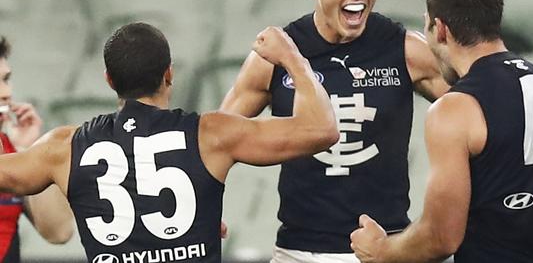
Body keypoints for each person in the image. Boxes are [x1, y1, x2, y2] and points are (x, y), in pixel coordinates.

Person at [0, 23, 338, 263]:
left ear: (109, 80)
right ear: (169, 74)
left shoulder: (65, 147)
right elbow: (321, 129)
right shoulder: (212, 134)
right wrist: (293, 58)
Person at [220, 0, 448, 262]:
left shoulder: (406, 50)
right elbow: (217, 137)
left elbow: (474, 117)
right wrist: (203, 209)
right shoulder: (274, 55)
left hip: (383, 251)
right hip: (296, 252)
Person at [350, 0, 533, 262]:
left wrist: (381, 250)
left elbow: (441, 237)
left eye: (427, 29)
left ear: (441, 29)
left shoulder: (456, 108)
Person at [0, 36, 74, 262]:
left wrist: (27, 149)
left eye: (6, 79)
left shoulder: (10, 148)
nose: (6, 92)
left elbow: (59, 232)